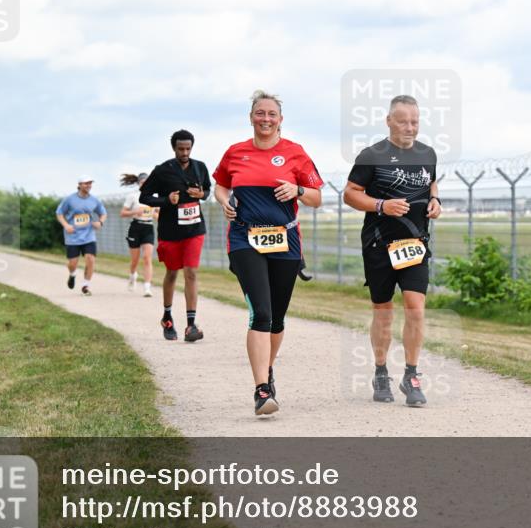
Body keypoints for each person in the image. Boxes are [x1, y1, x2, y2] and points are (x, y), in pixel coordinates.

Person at [213, 90, 323, 416]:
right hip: (245, 240)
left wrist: (298, 190)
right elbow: (220, 185)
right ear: (251, 117)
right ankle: (262, 389)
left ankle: (267, 368)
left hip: (285, 242)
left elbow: (317, 197)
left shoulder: (295, 153)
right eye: (259, 113)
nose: (265, 119)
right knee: (260, 313)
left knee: (276, 318)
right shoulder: (235, 153)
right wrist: (223, 201)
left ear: (280, 120)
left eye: (271, 114)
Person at [343, 95, 442, 407]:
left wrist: (435, 201)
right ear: (388, 121)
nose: (409, 127)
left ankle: (411, 375)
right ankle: (381, 370)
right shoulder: (372, 156)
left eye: (415, 121)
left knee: (415, 307)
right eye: (403, 121)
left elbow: (432, 183)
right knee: (383, 312)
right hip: (378, 245)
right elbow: (350, 194)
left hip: (414, 246)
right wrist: (381, 206)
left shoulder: (427, 153)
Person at [138, 130, 211, 342]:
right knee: (172, 273)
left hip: (194, 229)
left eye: (188, 148)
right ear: (174, 148)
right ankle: (167, 317)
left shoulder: (200, 167)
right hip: (170, 231)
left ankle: (191, 326)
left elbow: (207, 190)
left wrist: (202, 195)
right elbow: (144, 196)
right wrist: (166, 200)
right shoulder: (162, 170)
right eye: (181, 149)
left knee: (191, 272)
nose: (185, 152)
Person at [55, 176, 108, 295]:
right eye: (86, 183)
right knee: (73, 263)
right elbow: (59, 213)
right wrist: (66, 225)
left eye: (90, 183)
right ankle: (72, 274)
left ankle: (85, 285)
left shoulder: (94, 200)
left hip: (89, 235)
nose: (88, 185)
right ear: (79, 184)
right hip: (73, 236)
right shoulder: (69, 199)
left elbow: (103, 213)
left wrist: (100, 222)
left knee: (90, 259)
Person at [119, 172, 157, 297]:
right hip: (135, 227)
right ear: (138, 183)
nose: (144, 184)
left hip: (148, 227)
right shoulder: (133, 196)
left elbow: (158, 215)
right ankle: (133, 275)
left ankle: (147, 287)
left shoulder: (154, 196)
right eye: (142, 182)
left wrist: (153, 214)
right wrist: (135, 211)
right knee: (134, 260)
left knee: (147, 257)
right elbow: (123, 213)